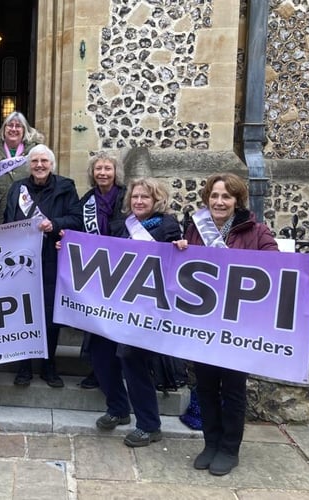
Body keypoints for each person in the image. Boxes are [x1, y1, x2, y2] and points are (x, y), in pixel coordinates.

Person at [174, 173, 309, 475]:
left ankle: (229, 449)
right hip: (203, 323)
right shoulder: (194, 229)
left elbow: (279, 267)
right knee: (204, 385)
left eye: (226, 197)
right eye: (214, 196)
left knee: (232, 388)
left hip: (238, 325)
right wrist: (177, 248)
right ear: (207, 199)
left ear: (237, 201)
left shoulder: (256, 231)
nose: (219, 202)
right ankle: (210, 442)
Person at [103, 178, 182, 448]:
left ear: (156, 201)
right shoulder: (119, 228)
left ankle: (149, 425)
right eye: (135, 197)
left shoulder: (169, 228)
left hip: (148, 308)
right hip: (119, 306)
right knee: (101, 354)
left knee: (133, 360)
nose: (138, 201)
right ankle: (118, 409)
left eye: (145, 198)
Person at [3, 144, 82, 388]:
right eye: (35, 161)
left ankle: (49, 366)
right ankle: (24, 367)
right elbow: (7, 220)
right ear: (29, 165)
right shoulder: (18, 188)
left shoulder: (66, 187)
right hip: (23, 260)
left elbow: (77, 220)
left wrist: (54, 223)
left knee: (49, 314)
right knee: (25, 313)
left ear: (51, 164)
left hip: (52, 258)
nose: (39, 165)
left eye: (44, 161)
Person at [71, 154, 129, 395]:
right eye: (98, 169)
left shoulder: (127, 197)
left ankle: (118, 370)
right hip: (96, 270)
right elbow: (75, 226)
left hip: (121, 268)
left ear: (116, 172)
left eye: (107, 168)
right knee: (96, 322)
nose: (103, 173)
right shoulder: (87, 201)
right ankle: (97, 370)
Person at [0, 111, 44, 224]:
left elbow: (44, 179)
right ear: (4, 129)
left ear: (24, 130)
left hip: (26, 212)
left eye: (18, 126)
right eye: (10, 125)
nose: (13, 129)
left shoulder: (34, 152)